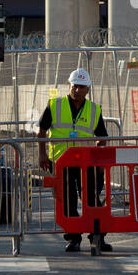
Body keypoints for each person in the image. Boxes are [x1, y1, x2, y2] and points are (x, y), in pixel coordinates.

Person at [38, 68, 111, 253]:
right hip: (62, 161)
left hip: (87, 162)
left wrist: (99, 159)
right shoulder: (55, 105)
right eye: (74, 86)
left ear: (88, 89)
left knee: (92, 199)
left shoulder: (94, 109)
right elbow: (42, 131)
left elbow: (102, 136)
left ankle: (98, 236)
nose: (77, 90)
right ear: (69, 85)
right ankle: (73, 238)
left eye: (82, 87)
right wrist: (42, 154)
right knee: (67, 200)